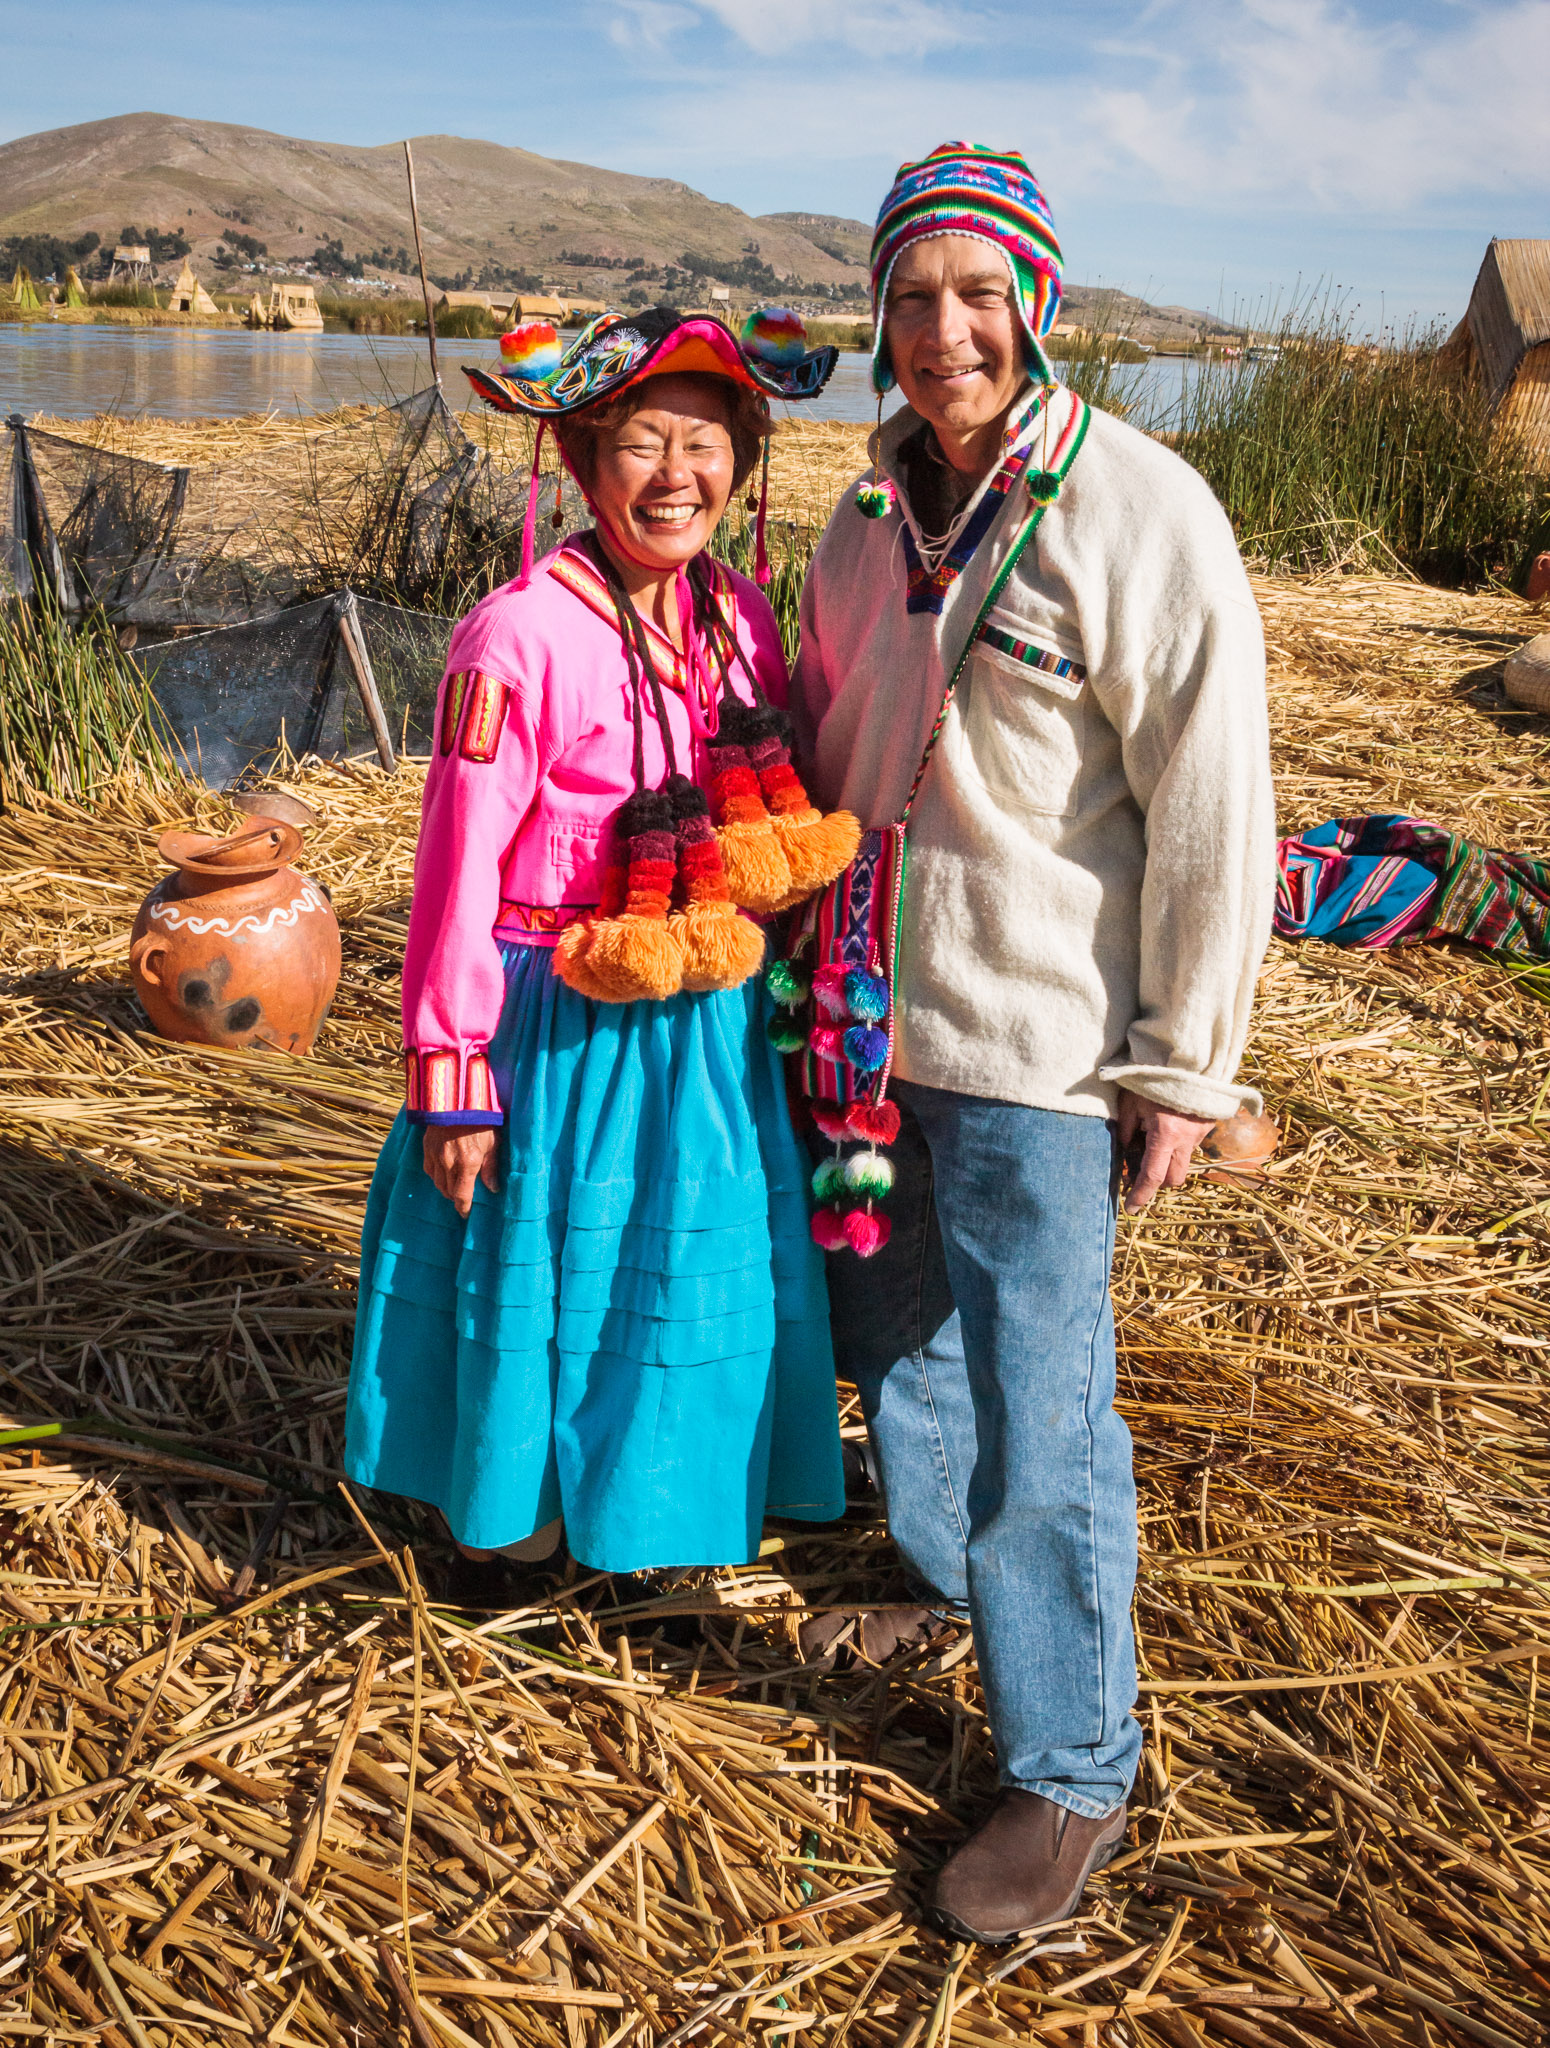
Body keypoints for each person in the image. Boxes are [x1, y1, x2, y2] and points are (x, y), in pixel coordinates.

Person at [790, 144, 1274, 1941]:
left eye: (980, 295)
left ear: (1038, 308)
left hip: (1041, 1047)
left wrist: (1182, 1061)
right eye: (912, 297)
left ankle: (1069, 1762)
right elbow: (835, 747)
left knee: (1043, 1414)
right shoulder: (859, 520)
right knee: (899, 1342)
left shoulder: (1141, 512)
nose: (944, 331)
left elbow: (1212, 801)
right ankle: (932, 1577)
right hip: (865, 1023)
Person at [346, 307, 853, 1601]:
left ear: (741, 461)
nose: (674, 475)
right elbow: (456, 864)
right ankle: (517, 1532)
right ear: (578, 461)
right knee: (542, 1268)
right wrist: (449, 1066)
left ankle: (649, 1520)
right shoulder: (514, 635)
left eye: (704, 442)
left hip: (704, 1023)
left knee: (677, 1269)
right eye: (639, 443)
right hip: (552, 1016)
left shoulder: (739, 615)